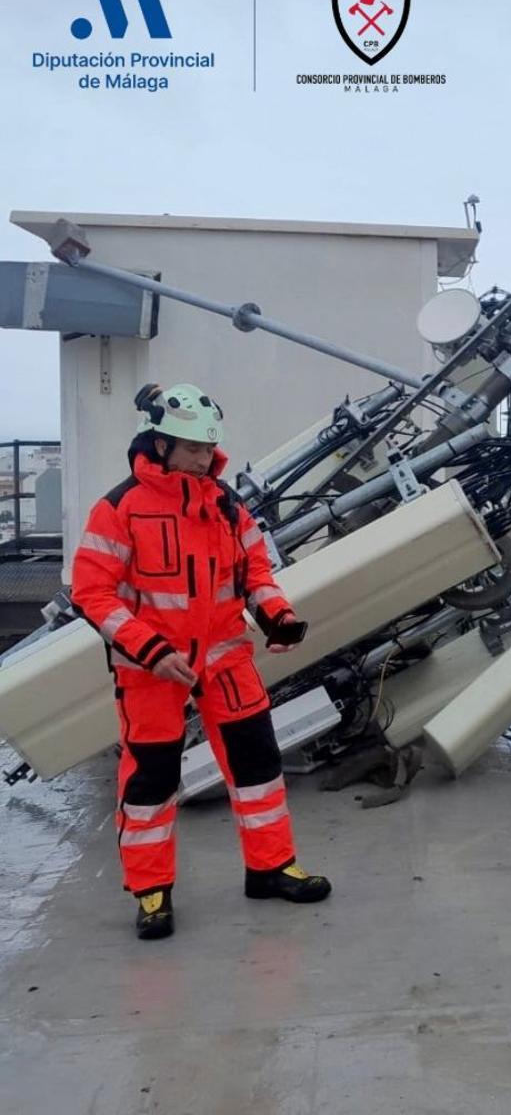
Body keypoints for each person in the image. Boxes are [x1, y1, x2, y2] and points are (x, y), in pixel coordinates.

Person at [71, 382, 332, 940]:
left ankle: (271, 868)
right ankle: (152, 892)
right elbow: (92, 593)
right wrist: (151, 650)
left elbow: (255, 572)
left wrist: (278, 617)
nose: (203, 458)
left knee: (258, 766)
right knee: (151, 779)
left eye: (208, 448)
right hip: (150, 670)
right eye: (191, 448)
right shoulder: (119, 508)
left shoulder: (226, 505)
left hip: (225, 658)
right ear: (160, 444)